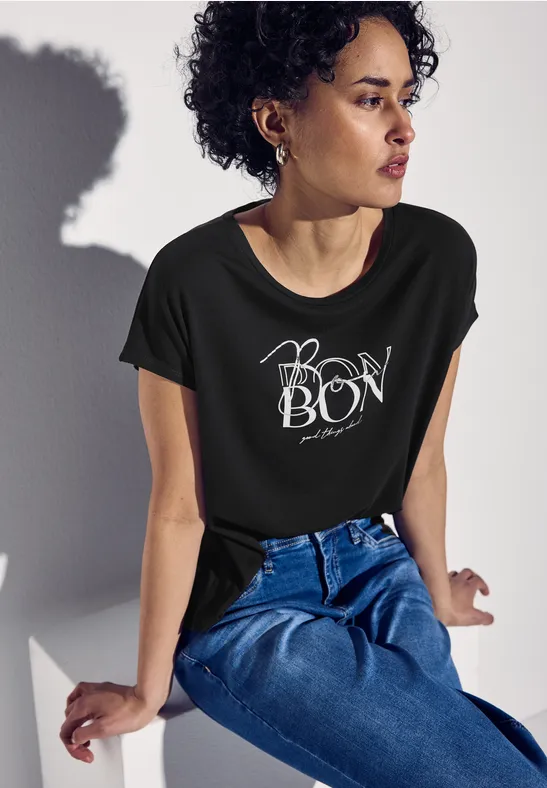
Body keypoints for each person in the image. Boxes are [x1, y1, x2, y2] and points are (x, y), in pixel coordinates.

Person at [60, 3, 547, 785]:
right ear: (275, 120)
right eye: (370, 99)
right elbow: (179, 507)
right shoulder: (195, 279)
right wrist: (148, 689)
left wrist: (435, 589)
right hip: (250, 601)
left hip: (374, 563)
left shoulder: (437, 258)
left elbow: (423, 459)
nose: (403, 129)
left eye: (405, 98)